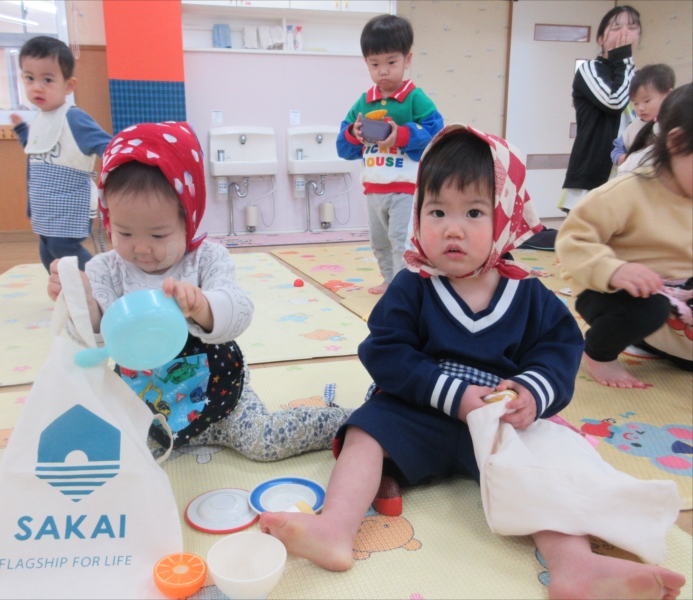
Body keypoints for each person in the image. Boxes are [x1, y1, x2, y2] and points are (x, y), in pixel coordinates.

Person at [259, 125, 686, 600]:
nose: (452, 228)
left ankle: (574, 566)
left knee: (545, 468)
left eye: (475, 213)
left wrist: (531, 392)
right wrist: (453, 395)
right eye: (437, 211)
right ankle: (335, 528)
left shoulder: (529, 294)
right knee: (365, 432)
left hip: (498, 422)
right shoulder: (414, 285)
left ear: (506, 219)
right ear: (418, 213)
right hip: (420, 411)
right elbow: (386, 351)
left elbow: (559, 352)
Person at [47, 122, 352, 461]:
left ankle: (347, 422)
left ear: (188, 219)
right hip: (148, 412)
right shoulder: (105, 269)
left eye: (158, 235)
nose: (141, 248)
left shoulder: (207, 259)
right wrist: (82, 301)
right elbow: (96, 340)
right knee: (109, 454)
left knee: (265, 442)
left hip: (223, 402)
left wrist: (202, 306)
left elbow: (239, 310)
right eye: (124, 233)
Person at [557, 84, 693, 389]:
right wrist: (613, 270)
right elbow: (572, 239)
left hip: (679, 291)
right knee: (649, 310)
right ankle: (599, 352)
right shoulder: (627, 191)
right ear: (677, 142)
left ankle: (650, 338)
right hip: (611, 290)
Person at [337, 14, 443, 294]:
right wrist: (355, 133)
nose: (383, 71)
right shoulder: (365, 101)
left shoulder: (415, 97)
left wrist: (402, 136)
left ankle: (403, 286)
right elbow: (343, 146)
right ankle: (389, 280)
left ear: (407, 60)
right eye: (375, 64)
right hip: (374, 188)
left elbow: (436, 132)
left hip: (405, 187)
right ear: (367, 63)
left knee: (401, 238)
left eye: (391, 62)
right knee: (380, 240)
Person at [11, 36, 112, 272]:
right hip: (45, 204)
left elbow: (107, 146)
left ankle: (99, 281)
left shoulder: (74, 118)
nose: (37, 87)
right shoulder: (42, 117)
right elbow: (37, 148)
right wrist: (22, 130)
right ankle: (65, 287)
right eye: (30, 78)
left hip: (69, 203)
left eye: (47, 79)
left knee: (63, 247)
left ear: (68, 86)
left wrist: (124, 169)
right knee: (47, 250)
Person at [558, 6, 641, 212]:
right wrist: (624, 60)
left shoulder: (636, 76)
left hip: (628, 172)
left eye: (632, 28)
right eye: (616, 28)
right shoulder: (590, 69)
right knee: (585, 232)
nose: (624, 33)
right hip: (592, 173)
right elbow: (615, 102)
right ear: (601, 39)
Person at [612, 64, 675, 174]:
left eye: (647, 101)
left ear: (669, 95)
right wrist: (620, 157)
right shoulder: (633, 127)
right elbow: (617, 148)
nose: (640, 108)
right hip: (636, 178)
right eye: (635, 103)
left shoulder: (675, 123)